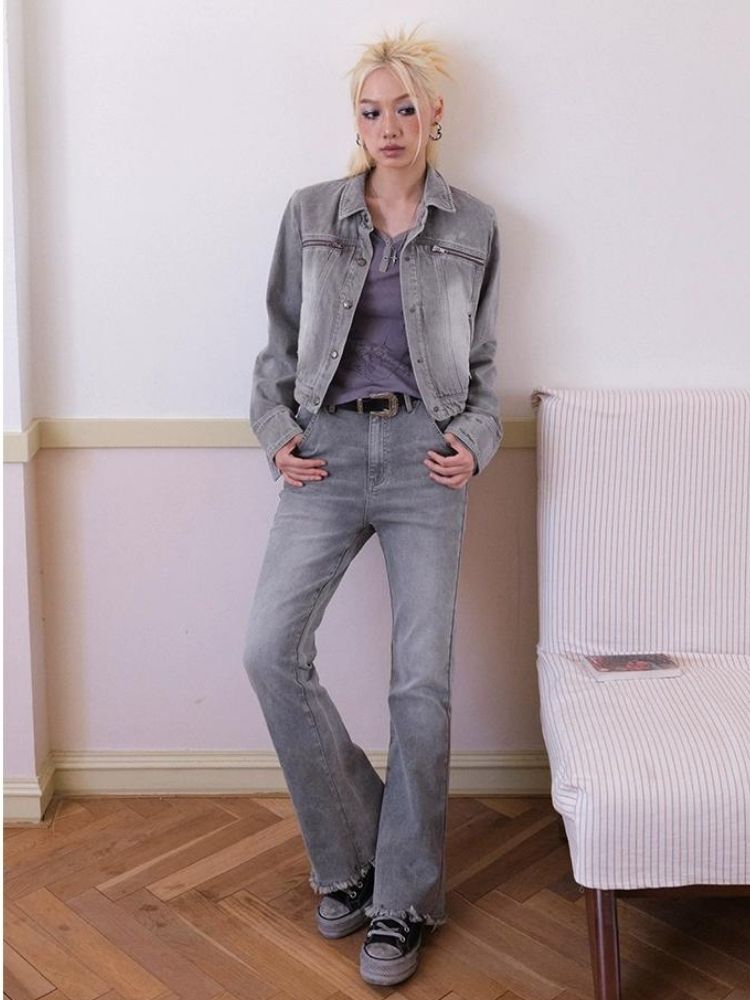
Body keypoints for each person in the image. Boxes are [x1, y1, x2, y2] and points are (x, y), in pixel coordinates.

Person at [243, 24, 502, 987]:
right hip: (327, 451)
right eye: (370, 110)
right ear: (354, 121)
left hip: (427, 458)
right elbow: (277, 346)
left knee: (419, 686)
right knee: (269, 650)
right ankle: (353, 856)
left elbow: (483, 367)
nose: (387, 126)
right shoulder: (311, 212)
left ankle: (402, 900)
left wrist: (474, 442)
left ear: (435, 116)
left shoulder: (473, 227)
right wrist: (277, 431)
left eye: (404, 109)